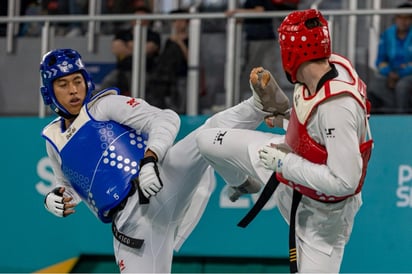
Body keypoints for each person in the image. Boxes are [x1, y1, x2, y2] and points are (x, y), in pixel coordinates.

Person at [39, 48, 289, 273]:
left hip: (158, 181)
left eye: (77, 81)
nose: (73, 90)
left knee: (205, 138)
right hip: (130, 231)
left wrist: (150, 160)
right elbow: (69, 186)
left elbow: (166, 119)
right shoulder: (53, 140)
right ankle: (241, 179)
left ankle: (258, 105)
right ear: (49, 92)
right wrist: (56, 198)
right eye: (62, 84)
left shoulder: (104, 106)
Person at [196, 9, 373, 273]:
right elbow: (316, 131)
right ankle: (243, 183)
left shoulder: (338, 108)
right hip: (287, 165)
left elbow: (345, 182)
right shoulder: (328, 66)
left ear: (293, 51)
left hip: (322, 215)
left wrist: (284, 163)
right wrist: (285, 118)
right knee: (207, 139)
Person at [226, 0, 298, 100]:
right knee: (261, 71)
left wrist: (237, 12)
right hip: (257, 38)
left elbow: (259, 10)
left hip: (261, 39)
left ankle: (276, 102)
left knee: (260, 72)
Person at [100, 6, 161, 96]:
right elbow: (116, 49)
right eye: (136, 17)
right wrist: (138, 47)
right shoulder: (122, 33)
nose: (139, 21)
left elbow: (148, 49)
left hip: (146, 70)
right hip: (122, 70)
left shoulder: (154, 35)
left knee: (144, 88)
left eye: (143, 18)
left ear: (148, 20)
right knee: (107, 83)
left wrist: (127, 46)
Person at [368, 2, 412, 113]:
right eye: (400, 17)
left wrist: (400, 74)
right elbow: (380, 60)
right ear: (395, 18)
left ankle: (402, 119)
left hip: (408, 74)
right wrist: (389, 73)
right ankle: (393, 113)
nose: (403, 21)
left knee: (403, 86)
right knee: (375, 84)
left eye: (407, 18)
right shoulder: (387, 34)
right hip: (391, 73)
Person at [146, 8, 190, 113]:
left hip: (182, 77)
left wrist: (179, 42)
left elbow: (190, 59)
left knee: (180, 107)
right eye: (175, 21)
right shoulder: (169, 40)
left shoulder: (191, 38)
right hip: (166, 78)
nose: (178, 24)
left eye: (181, 20)